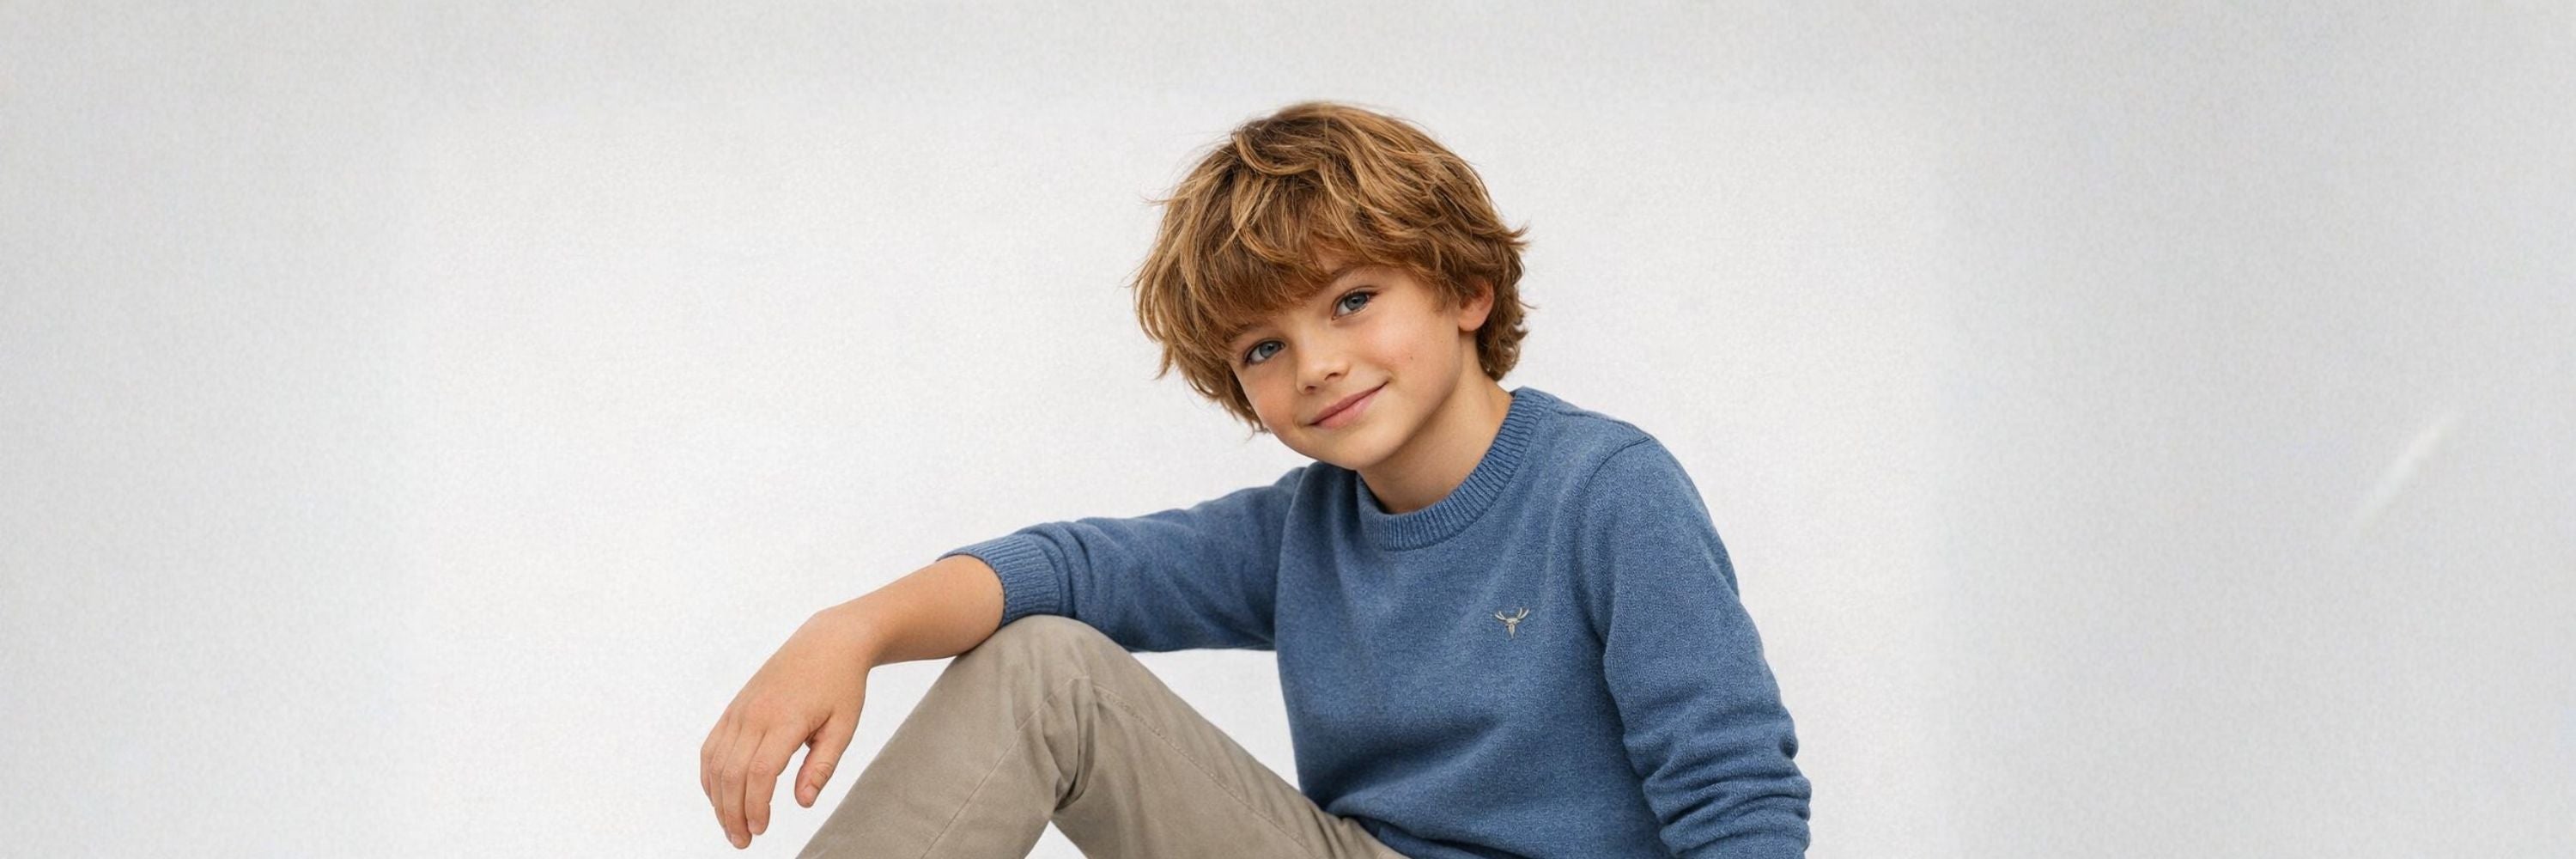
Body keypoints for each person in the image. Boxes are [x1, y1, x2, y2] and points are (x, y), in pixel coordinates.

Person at [700, 101, 1813, 858]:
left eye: (1352, 300)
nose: (1316, 363)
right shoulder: (1302, 532)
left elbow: (1736, 797)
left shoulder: (1606, 491)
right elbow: (1073, 571)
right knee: (1046, 667)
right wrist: (850, 631)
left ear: (1467, 290)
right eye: (1263, 348)